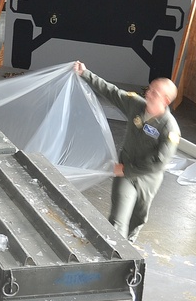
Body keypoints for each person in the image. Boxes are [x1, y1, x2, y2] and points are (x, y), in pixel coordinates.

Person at [73, 61, 180, 243]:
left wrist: (127, 170)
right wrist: (85, 73)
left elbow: (158, 162)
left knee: (138, 218)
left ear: (166, 100)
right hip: (125, 171)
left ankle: (128, 243)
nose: (148, 93)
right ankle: (116, 251)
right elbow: (111, 91)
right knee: (118, 219)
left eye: (155, 92)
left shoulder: (169, 129)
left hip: (148, 179)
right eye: (149, 89)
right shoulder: (135, 105)